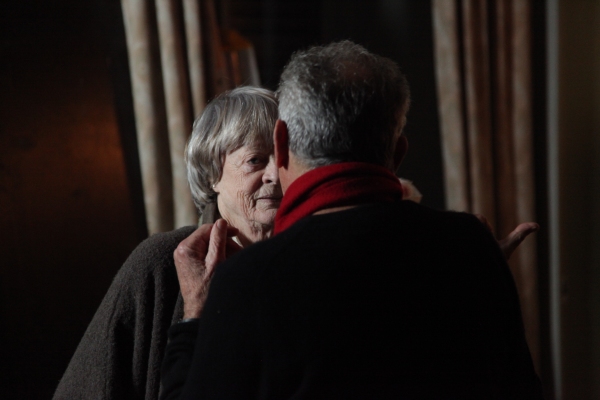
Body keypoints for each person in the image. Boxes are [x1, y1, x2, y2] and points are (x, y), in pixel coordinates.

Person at [160, 41, 543, 399]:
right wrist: (473, 269)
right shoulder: (468, 247)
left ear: (281, 145)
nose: (272, 176)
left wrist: (194, 319)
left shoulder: (250, 278)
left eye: (268, 158)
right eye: (252, 161)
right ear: (397, 153)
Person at [53, 87, 281, 400]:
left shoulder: (308, 260)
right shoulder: (161, 261)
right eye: (256, 160)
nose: (274, 175)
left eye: (283, 159)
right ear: (213, 172)